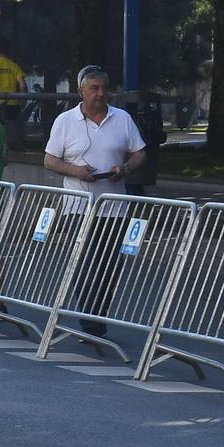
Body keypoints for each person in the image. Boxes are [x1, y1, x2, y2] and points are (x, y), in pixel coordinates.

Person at [43, 66, 147, 337]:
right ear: (81, 92)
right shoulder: (65, 121)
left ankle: (99, 315)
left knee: (110, 264)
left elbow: (139, 154)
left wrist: (124, 169)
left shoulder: (122, 118)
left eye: (104, 88)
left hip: (114, 206)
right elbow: (50, 160)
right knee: (85, 261)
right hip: (79, 205)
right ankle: (87, 317)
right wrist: (75, 171)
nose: (101, 94)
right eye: (94, 88)